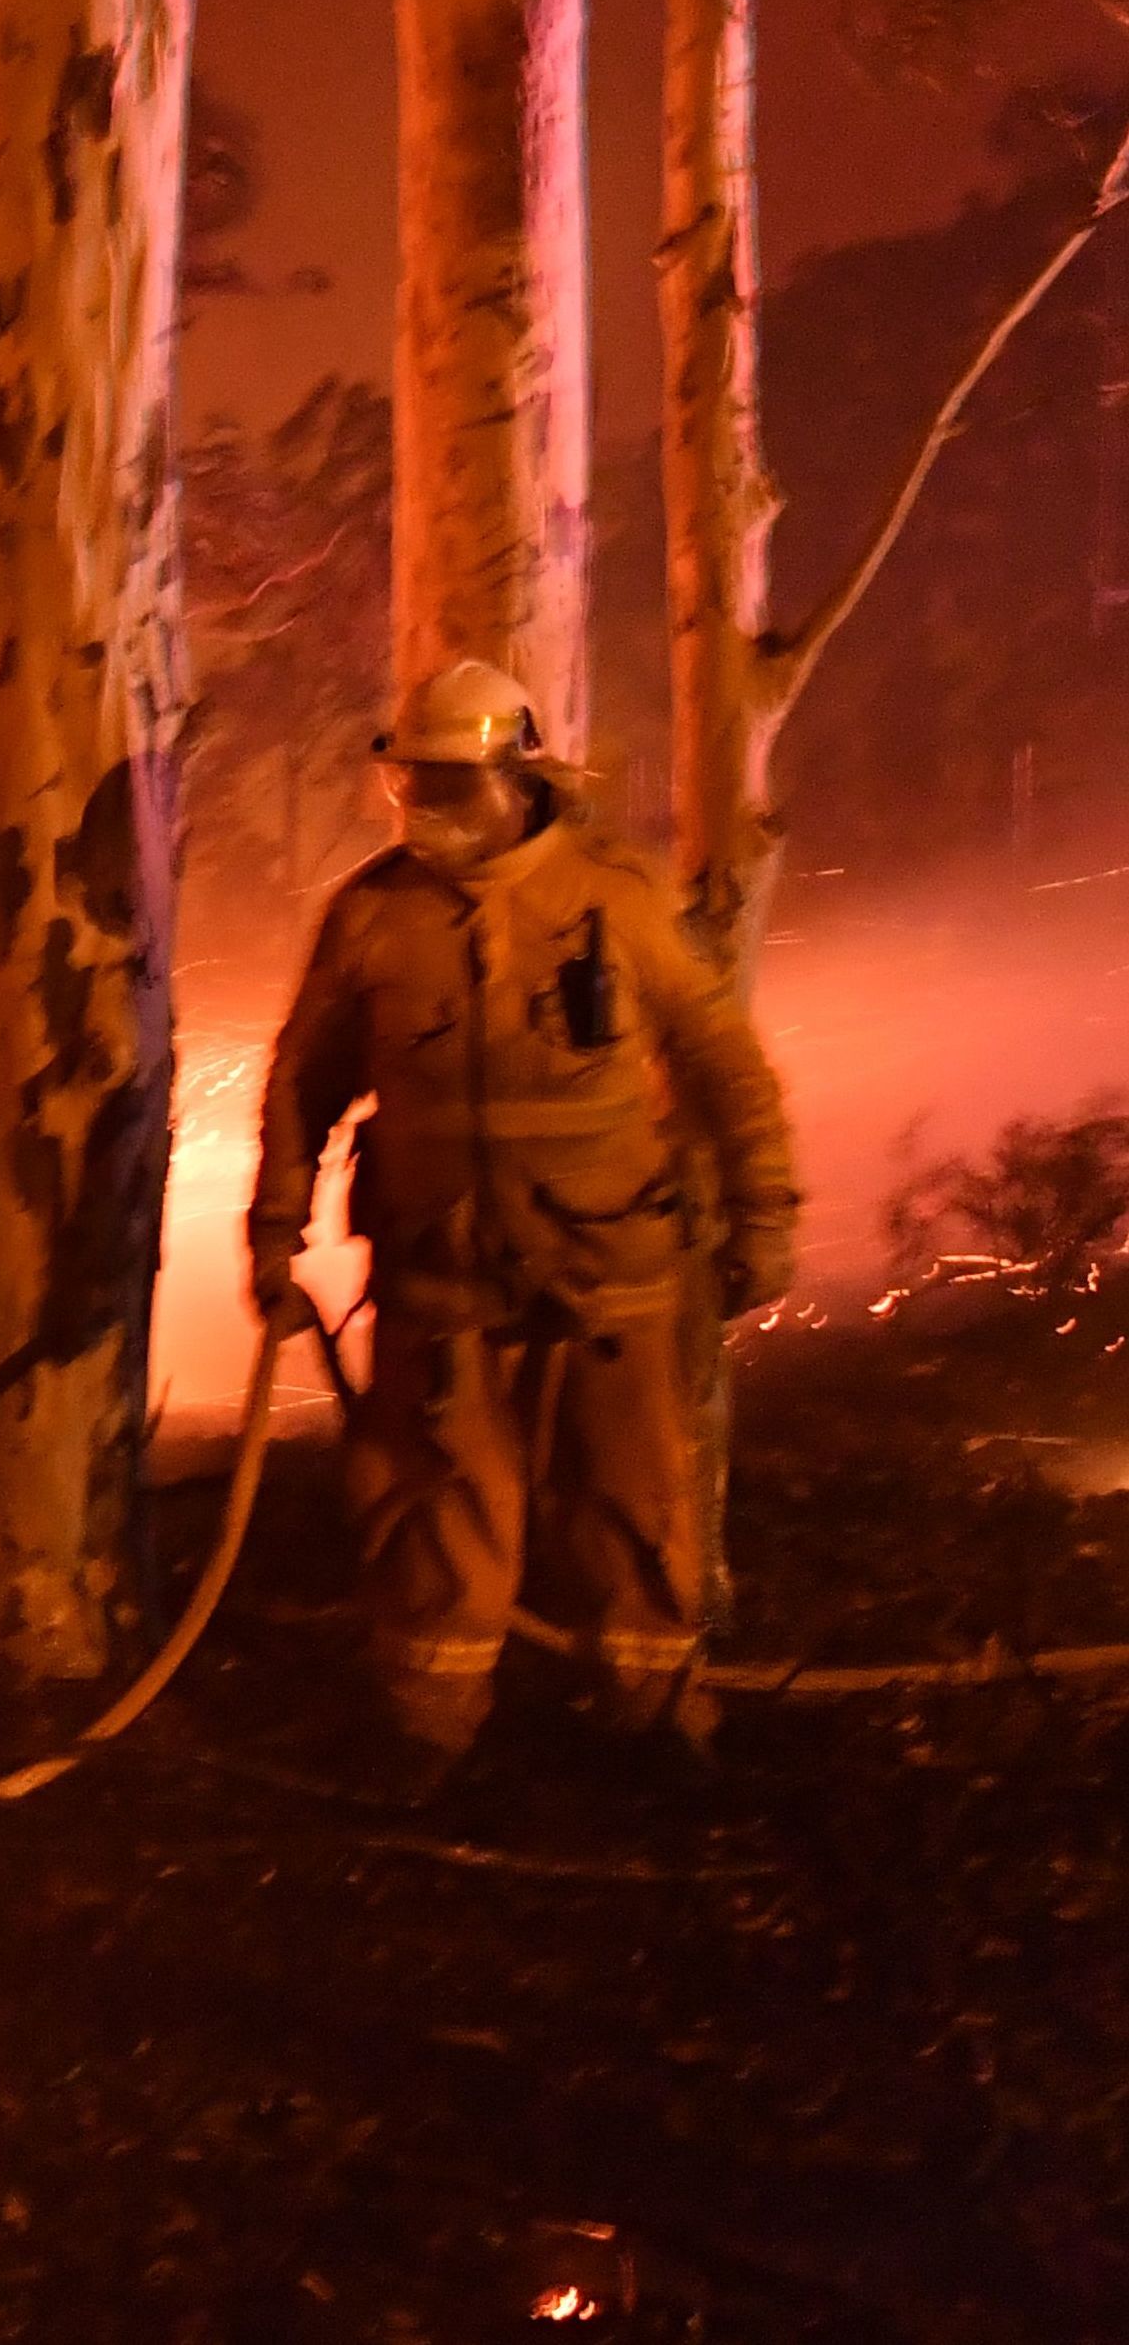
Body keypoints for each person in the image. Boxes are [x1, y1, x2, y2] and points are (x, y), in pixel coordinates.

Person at [248, 659, 798, 1799]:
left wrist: (763, 1213)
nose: (425, 807)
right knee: (432, 1506)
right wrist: (272, 1227)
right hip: (439, 1273)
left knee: (630, 1494)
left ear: (515, 776)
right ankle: (425, 1727)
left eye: (450, 782)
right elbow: (302, 1078)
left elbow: (721, 1065)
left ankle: (653, 1716)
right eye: (410, 781)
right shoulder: (370, 912)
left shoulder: (614, 895)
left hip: (610, 1266)